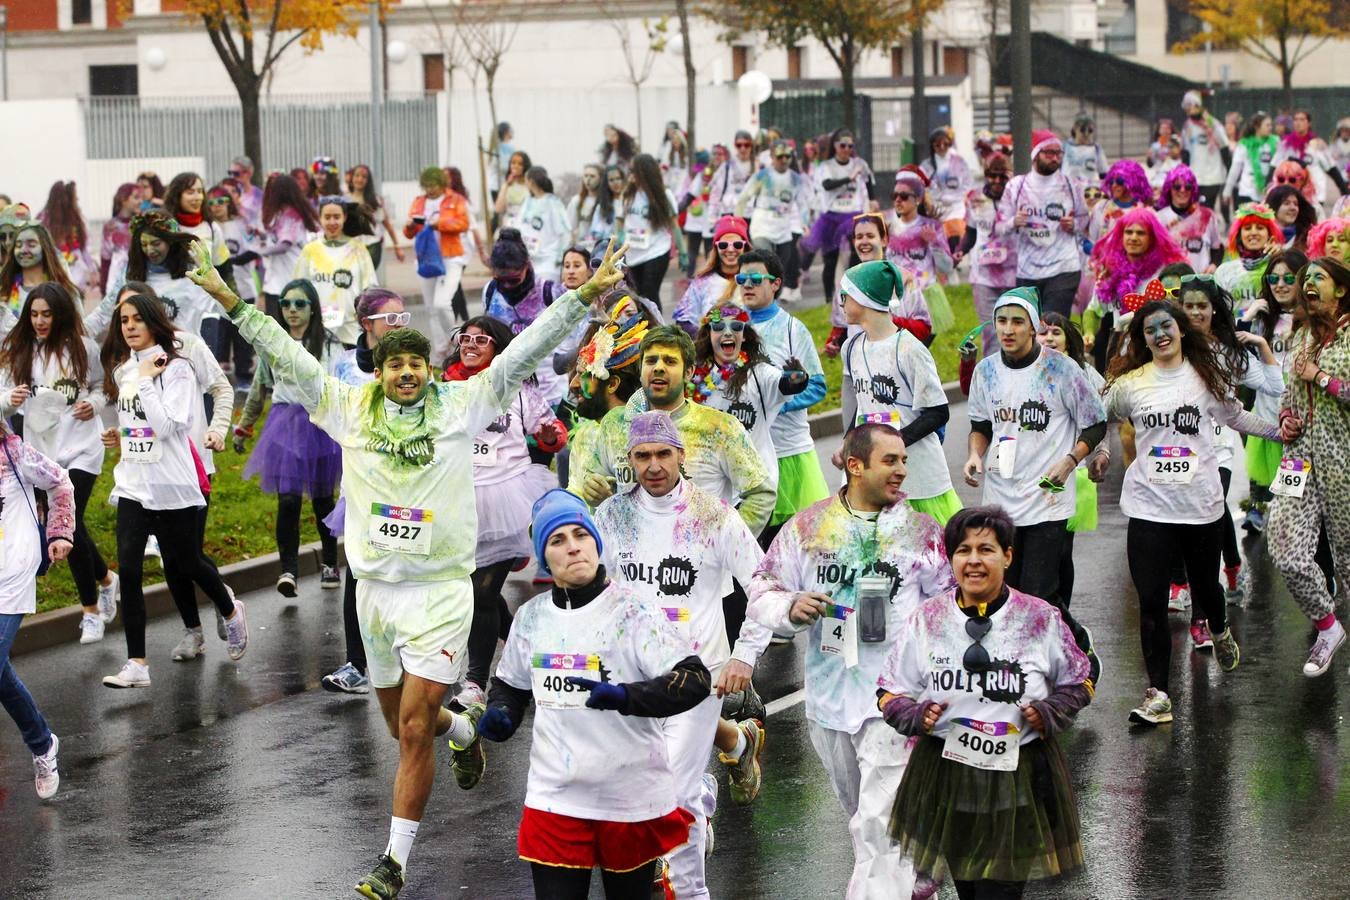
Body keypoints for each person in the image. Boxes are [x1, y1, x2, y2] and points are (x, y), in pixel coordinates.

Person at [189, 233, 630, 898]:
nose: (404, 375)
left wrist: (582, 296)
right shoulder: (347, 407)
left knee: (413, 728)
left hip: (441, 592)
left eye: (415, 365)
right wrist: (228, 298)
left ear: (429, 369)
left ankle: (394, 861)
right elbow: (281, 350)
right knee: (405, 725)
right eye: (393, 365)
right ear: (379, 368)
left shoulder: (461, 405)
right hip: (377, 597)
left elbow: (526, 351)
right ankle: (464, 733)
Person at [748, 423, 954, 899]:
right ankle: (917, 870)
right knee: (863, 816)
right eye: (891, 461)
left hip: (899, 702)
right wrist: (790, 608)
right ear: (855, 465)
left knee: (880, 827)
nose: (902, 470)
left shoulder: (922, 533)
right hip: (832, 698)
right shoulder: (808, 527)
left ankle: (896, 876)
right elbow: (762, 589)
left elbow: (949, 609)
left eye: (904, 460)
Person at [475, 488, 709, 900]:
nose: (573, 548)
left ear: (596, 543)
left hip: (628, 797)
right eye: (557, 540)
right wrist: (502, 714)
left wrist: (625, 697)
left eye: (581, 536)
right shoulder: (530, 619)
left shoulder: (633, 612)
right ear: (544, 556)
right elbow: (510, 685)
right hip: (555, 796)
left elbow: (694, 680)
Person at [595, 410, 773, 899]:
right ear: (629, 460)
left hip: (700, 676)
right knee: (652, 786)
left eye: (663, 454)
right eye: (642, 456)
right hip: (633, 680)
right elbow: (594, 590)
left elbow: (764, 585)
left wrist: (745, 656)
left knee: (673, 794)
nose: (653, 466)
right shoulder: (611, 517)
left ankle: (691, 891)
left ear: (681, 455)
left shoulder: (713, 516)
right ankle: (704, 791)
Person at [878, 505, 1093, 900]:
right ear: (951, 559)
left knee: (1000, 893)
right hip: (946, 773)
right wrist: (914, 715)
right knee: (970, 890)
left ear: (1007, 556)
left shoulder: (1040, 618)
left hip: (1020, 775)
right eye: (963, 550)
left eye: (986, 550)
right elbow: (889, 691)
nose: (973, 560)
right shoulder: (926, 620)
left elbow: (1081, 680)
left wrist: (1050, 712)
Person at [1098, 300, 1281, 725]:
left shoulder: (1205, 377)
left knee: (1206, 590)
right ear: (1142, 338)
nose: (1159, 335)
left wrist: (1280, 432)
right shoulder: (1132, 383)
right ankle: (1159, 693)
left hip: (1199, 507)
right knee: (1151, 601)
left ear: (1181, 330)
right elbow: (1100, 418)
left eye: (1167, 326)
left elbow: (1238, 418)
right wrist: (1100, 454)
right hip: (1147, 507)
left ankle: (1219, 628)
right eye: (1150, 330)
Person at [98, 290, 248, 688]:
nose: (129, 327)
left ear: (153, 322)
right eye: (124, 321)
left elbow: (170, 426)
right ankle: (137, 664)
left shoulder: (177, 367)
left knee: (187, 563)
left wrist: (148, 381)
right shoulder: (124, 370)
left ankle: (229, 608)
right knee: (129, 570)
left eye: (137, 320)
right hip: (134, 483)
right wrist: (120, 434)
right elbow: (139, 423)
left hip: (174, 484)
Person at [962, 287, 1106, 674]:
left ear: (1034, 326)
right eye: (1001, 321)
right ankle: (1032, 663)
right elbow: (980, 425)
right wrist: (976, 453)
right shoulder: (987, 371)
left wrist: (1071, 459)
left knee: (1039, 595)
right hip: (1000, 498)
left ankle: (1062, 654)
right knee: (1007, 593)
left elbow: (1095, 423)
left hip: (1048, 497)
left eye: (1017, 322)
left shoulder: (1061, 369)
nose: (1007, 330)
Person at [441, 315, 565, 710]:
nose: (471, 345)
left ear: (499, 348)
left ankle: (476, 681)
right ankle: (525, 653)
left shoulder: (518, 389)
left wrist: (548, 435)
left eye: (482, 339)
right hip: (458, 499)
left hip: (509, 497)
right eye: (466, 338)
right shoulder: (445, 388)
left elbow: (553, 429)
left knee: (482, 591)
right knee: (477, 593)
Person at [0, 283, 118, 643]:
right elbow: (1, 400)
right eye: (34, 314)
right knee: (71, 526)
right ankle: (108, 580)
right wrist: (10, 397)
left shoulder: (83, 347)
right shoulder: (18, 351)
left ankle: (91, 611)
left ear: (60, 314)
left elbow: (102, 386)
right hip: (42, 453)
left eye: (46, 314)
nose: (39, 321)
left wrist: (94, 405)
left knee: (70, 520)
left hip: (82, 448)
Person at [571, 325, 773, 531]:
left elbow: (761, 495)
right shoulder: (614, 423)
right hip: (634, 558)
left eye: (670, 361)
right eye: (650, 361)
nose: (658, 367)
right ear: (641, 372)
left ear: (688, 372)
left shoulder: (720, 428)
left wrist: (725, 541)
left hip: (698, 560)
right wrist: (594, 489)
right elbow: (595, 482)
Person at [1171, 275, 1282, 617]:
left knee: (1210, 511)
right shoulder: (1170, 345)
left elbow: (1273, 387)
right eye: (1187, 306)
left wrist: (1261, 347)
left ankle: (1219, 576)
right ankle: (1202, 575)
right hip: (1175, 446)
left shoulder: (1229, 351)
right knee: (1177, 516)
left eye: (1201, 306)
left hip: (1217, 446)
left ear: (1214, 309)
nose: (1194, 312)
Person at [321, 288, 411, 696]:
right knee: (358, 572)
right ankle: (357, 663)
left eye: (402, 318)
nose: (397, 326)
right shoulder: (344, 368)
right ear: (366, 324)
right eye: (389, 319)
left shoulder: (412, 363)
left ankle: (448, 655)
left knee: (414, 572)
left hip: (408, 485)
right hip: (360, 486)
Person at [234, 278, 343, 595]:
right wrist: (244, 426)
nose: (292, 310)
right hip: (285, 425)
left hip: (321, 424)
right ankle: (288, 571)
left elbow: (343, 386)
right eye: (285, 304)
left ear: (313, 308)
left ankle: (330, 563)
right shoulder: (273, 343)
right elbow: (259, 390)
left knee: (323, 500)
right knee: (289, 500)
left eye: (299, 304)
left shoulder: (330, 344)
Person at [1268, 256, 1350, 677]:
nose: (1308, 283)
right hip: (1297, 458)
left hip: (1343, 460)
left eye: (1320, 277)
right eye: (1307, 279)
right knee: (1282, 545)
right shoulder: (1299, 335)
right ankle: (1327, 626)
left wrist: (1320, 377)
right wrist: (1286, 418)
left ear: (1341, 289)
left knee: (1349, 561)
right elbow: (1288, 393)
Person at [840, 260, 961, 524]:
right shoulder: (850, 348)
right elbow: (863, 405)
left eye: (845, 296)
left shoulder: (910, 349)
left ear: (864, 299)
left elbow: (937, 412)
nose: (840, 303)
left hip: (915, 473)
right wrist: (848, 443)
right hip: (869, 473)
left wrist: (892, 445)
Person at [733, 250, 830, 543]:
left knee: (801, 545)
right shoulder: (732, 329)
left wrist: (775, 405)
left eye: (755, 279)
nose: (747, 285)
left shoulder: (793, 330)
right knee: (753, 550)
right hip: (748, 457)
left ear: (775, 284)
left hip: (789, 454)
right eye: (741, 279)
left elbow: (817, 387)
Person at [0, 419, 75, 800]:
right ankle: (42, 742)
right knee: (0, 675)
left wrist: (60, 531)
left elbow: (61, 481)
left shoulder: (14, 452)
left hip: (11, 575)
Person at [687, 300, 809, 495]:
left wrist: (797, 380)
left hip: (753, 490)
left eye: (736, 326)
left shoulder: (759, 374)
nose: (727, 332)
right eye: (718, 326)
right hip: (709, 491)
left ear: (744, 336)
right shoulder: (695, 378)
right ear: (709, 335)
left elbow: (783, 384)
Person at [1084, 207, 1187, 371]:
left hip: (1157, 353)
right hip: (1120, 353)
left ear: (1152, 237)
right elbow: (1093, 311)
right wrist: (1089, 332)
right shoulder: (1110, 272)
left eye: (1140, 233)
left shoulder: (1163, 272)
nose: (1133, 238)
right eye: (1129, 232)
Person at [1000, 130, 1088, 319]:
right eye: (1049, 153)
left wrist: (1074, 224)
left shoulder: (1072, 185)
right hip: (1028, 269)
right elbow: (999, 227)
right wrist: (1013, 222)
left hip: (1064, 266)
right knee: (1030, 326)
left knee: (1052, 325)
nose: (1055, 158)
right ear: (1035, 154)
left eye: (1058, 153)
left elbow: (1084, 220)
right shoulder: (1016, 186)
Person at [483, 229, 570, 405]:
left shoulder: (550, 292)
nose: (506, 285)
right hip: (509, 396)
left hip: (549, 395)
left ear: (527, 265)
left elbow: (573, 342)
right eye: (501, 279)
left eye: (513, 279)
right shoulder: (490, 291)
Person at [404, 166, 471, 360]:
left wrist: (438, 223)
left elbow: (463, 224)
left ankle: (457, 340)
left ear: (442, 184)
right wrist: (410, 227)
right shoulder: (419, 202)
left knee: (442, 303)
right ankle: (441, 351)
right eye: (426, 186)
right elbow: (409, 233)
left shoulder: (456, 200)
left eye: (433, 185)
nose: (430, 190)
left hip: (451, 258)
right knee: (431, 308)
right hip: (426, 259)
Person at [803, 128, 876, 302]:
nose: (846, 149)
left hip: (853, 215)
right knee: (830, 260)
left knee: (857, 254)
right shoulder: (826, 166)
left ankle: (852, 294)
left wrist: (872, 200)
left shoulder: (859, 164)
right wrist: (849, 178)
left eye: (850, 146)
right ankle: (829, 299)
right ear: (835, 146)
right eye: (842, 145)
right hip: (831, 216)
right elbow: (827, 185)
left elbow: (869, 180)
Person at [295, 195, 377, 348]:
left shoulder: (358, 249)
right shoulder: (310, 250)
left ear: (344, 217)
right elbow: (298, 288)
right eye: (327, 217)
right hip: (318, 330)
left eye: (336, 217)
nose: (332, 222)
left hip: (351, 331)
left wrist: (362, 314)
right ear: (320, 218)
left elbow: (370, 288)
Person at [957, 153, 1017, 359]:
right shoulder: (975, 199)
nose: (997, 181)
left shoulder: (1017, 197)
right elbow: (971, 232)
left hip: (1014, 274)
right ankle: (993, 379)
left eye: (1003, 176)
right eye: (992, 176)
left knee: (1015, 331)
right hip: (983, 277)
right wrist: (960, 251)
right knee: (991, 332)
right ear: (986, 175)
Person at [886, 166, 955, 335]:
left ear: (918, 199)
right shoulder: (887, 225)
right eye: (894, 196)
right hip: (895, 300)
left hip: (924, 300)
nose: (898, 201)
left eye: (903, 196)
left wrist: (933, 243)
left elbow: (947, 268)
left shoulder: (931, 226)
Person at [736, 140, 808, 300]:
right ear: (773, 157)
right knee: (766, 262)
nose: (784, 160)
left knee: (779, 269)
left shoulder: (796, 179)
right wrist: (737, 224)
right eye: (780, 156)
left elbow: (803, 204)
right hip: (762, 228)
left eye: (787, 157)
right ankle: (759, 300)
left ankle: (772, 301)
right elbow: (743, 198)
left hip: (783, 230)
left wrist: (805, 223)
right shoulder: (762, 176)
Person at [617, 153, 686, 309]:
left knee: (650, 292)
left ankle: (657, 329)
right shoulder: (628, 195)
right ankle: (643, 329)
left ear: (645, 172)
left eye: (634, 170)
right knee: (638, 294)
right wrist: (619, 243)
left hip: (656, 250)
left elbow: (674, 225)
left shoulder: (664, 195)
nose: (631, 173)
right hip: (633, 253)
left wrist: (683, 252)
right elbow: (620, 222)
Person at [205, 184, 257, 381]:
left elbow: (254, 249)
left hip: (242, 286)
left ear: (229, 203)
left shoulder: (241, 225)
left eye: (221, 202)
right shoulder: (208, 228)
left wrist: (231, 261)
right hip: (216, 291)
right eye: (211, 203)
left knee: (243, 333)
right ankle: (222, 370)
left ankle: (244, 373)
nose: (216, 206)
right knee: (220, 332)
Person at [673, 215, 747, 335]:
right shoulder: (702, 282)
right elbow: (683, 320)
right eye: (723, 245)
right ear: (716, 247)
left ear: (745, 247)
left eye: (737, 244)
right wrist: (707, 339)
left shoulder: (754, 281)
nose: (730, 249)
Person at [257, 174, 319, 318]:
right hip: (275, 283)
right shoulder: (279, 214)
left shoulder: (291, 216)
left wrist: (259, 251)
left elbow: (284, 245)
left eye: (273, 188)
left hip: (289, 283)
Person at [0, 222, 80, 320]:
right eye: (19, 245)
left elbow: (78, 329)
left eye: (32, 245)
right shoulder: (4, 291)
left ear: (45, 248)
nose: (24, 250)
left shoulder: (65, 290)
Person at [1155, 165, 1224, 275]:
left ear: (1193, 189)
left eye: (1187, 186)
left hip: (1200, 281)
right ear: (1169, 188)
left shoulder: (1207, 215)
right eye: (1177, 186)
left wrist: (1214, 264)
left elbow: (1217, 248)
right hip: (1170, 283)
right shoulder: (1159, 218)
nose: (1182, 190)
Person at [1275, 109, 1349, 209]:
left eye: (1302, 119)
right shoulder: (1285, 145)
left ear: (1309, 123)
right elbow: (1274, 166)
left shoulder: (1318, 145)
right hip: (1291, 196)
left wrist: (1345, 192)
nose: (1298, 122)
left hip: (1315, 197)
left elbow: (1332, 169)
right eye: (1296, 119)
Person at [1214, 202, 1283, 310]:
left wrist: (1279, 257)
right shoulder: (1225, 270)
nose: (1253, 232)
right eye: (1247, 228)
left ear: (1270, 234)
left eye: (1260, 228)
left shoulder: (1278, 266)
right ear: (1239, 235)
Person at [37, 180, 97, 297]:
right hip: (51, 275)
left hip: (76, 276)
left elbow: (84, 248)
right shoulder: (43, 220)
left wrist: (93, 270)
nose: (78, 199)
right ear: (66, 199)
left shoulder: (76, 220)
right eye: (75, 197)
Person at [919, 126, 974, 253]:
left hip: (956, 207)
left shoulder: (959, 162)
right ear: (932, 146)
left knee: (955, 235)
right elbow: (921, 185)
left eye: (946, 143)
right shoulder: (926, 165)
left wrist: (956, 196)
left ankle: (954, 260)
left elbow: (967, 182)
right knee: (939, 240)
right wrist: (931, 199)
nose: (942, 147)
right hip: (936, 209)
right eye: (938, 144)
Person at [517, 166, 571, 282]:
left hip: (549, 263)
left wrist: (561, 259)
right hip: (528, 261)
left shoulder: (553, 203)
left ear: (530, 182)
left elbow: (564, 233)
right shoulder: (527, 202)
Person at [347, 163, 405, 270]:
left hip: (372, 246)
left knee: (366, 280)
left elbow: (387, 225)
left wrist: (397, 247)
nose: (360, 179)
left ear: (368, 181)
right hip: (351, 248)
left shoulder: (375, 201)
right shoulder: (345, 200)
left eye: (364, 177)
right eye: (357, 175)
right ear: (352, 178)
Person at [1180, 92, 1230, 209]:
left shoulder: (1214, 124)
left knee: (1206, 208)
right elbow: (1186, 153)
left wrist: (1229, 173)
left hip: (1213, 176)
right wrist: (1183, 174)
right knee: (1195, 209)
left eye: (1191, 105)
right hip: (1195, 175)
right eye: (1186, 105)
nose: (1188, 108)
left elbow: (1224, 148)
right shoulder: (1187, 126)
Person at [1086, 159, 1155, 245]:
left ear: (1132, 182)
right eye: (1111, 181)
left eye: (1119, 181)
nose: (1114, 185)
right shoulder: (1100, 207)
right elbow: (1090, 241)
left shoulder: (1146, 211)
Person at [679, 147, 724, 277]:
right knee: (700, 250)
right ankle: (696, 277)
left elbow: (689, 196)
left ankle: (706, 277)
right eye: (714, 154)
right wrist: (676, 210)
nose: (716, 158)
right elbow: (690, 195)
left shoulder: (718, 173)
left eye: (719, 154)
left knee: (707, 250)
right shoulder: (704, 174)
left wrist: (678, 209)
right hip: (701, 218)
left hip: (709, 219)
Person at [1226, 112, 1278, 208]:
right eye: (1267, 125)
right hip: (1247, 191)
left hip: (1268, 193)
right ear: (1257, 127)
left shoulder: (1275, 142)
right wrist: (1227, 191)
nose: (1270, 128)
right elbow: (1235, 169)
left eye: (1271, 125)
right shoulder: (1244, 144)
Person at [100, 183, 139, 293]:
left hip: (140, 284)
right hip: (116, 286)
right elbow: (105, 259)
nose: (140, 201)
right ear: (123, 199)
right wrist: (103, 289)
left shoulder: (142, 224)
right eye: (136, 197)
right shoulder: (110, 227)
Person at [1265, 183, 1318, 253]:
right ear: (1273, 207)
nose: (1293, 208)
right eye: (1286, 203)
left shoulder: (1307, 238)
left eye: (1296, 204)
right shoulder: (1263, 234)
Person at [566, 164, 608, 247]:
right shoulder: (577, 200)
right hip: (582, 247)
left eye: (592, 176)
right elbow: (570, 226)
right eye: (585, 176)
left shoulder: (607, 201)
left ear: (601, 179)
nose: (588, 179)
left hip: (601, 248)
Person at [1063, 113, 1109, 188]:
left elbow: (1103, 173)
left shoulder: (1096, 148)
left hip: (1088, 191)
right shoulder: (1065, 147)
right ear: (1075, 128)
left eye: (1090, 130)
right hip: (1068, 190)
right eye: (1083, 129)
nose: (1086, 134)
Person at [494, 150, 532, 233]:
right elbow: (498, 209)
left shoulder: (530, 185)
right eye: (513, 163)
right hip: (510, 227)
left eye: (520, 164)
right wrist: (506, 185)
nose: (515, 166)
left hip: (527, 227)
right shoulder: (507, 185)